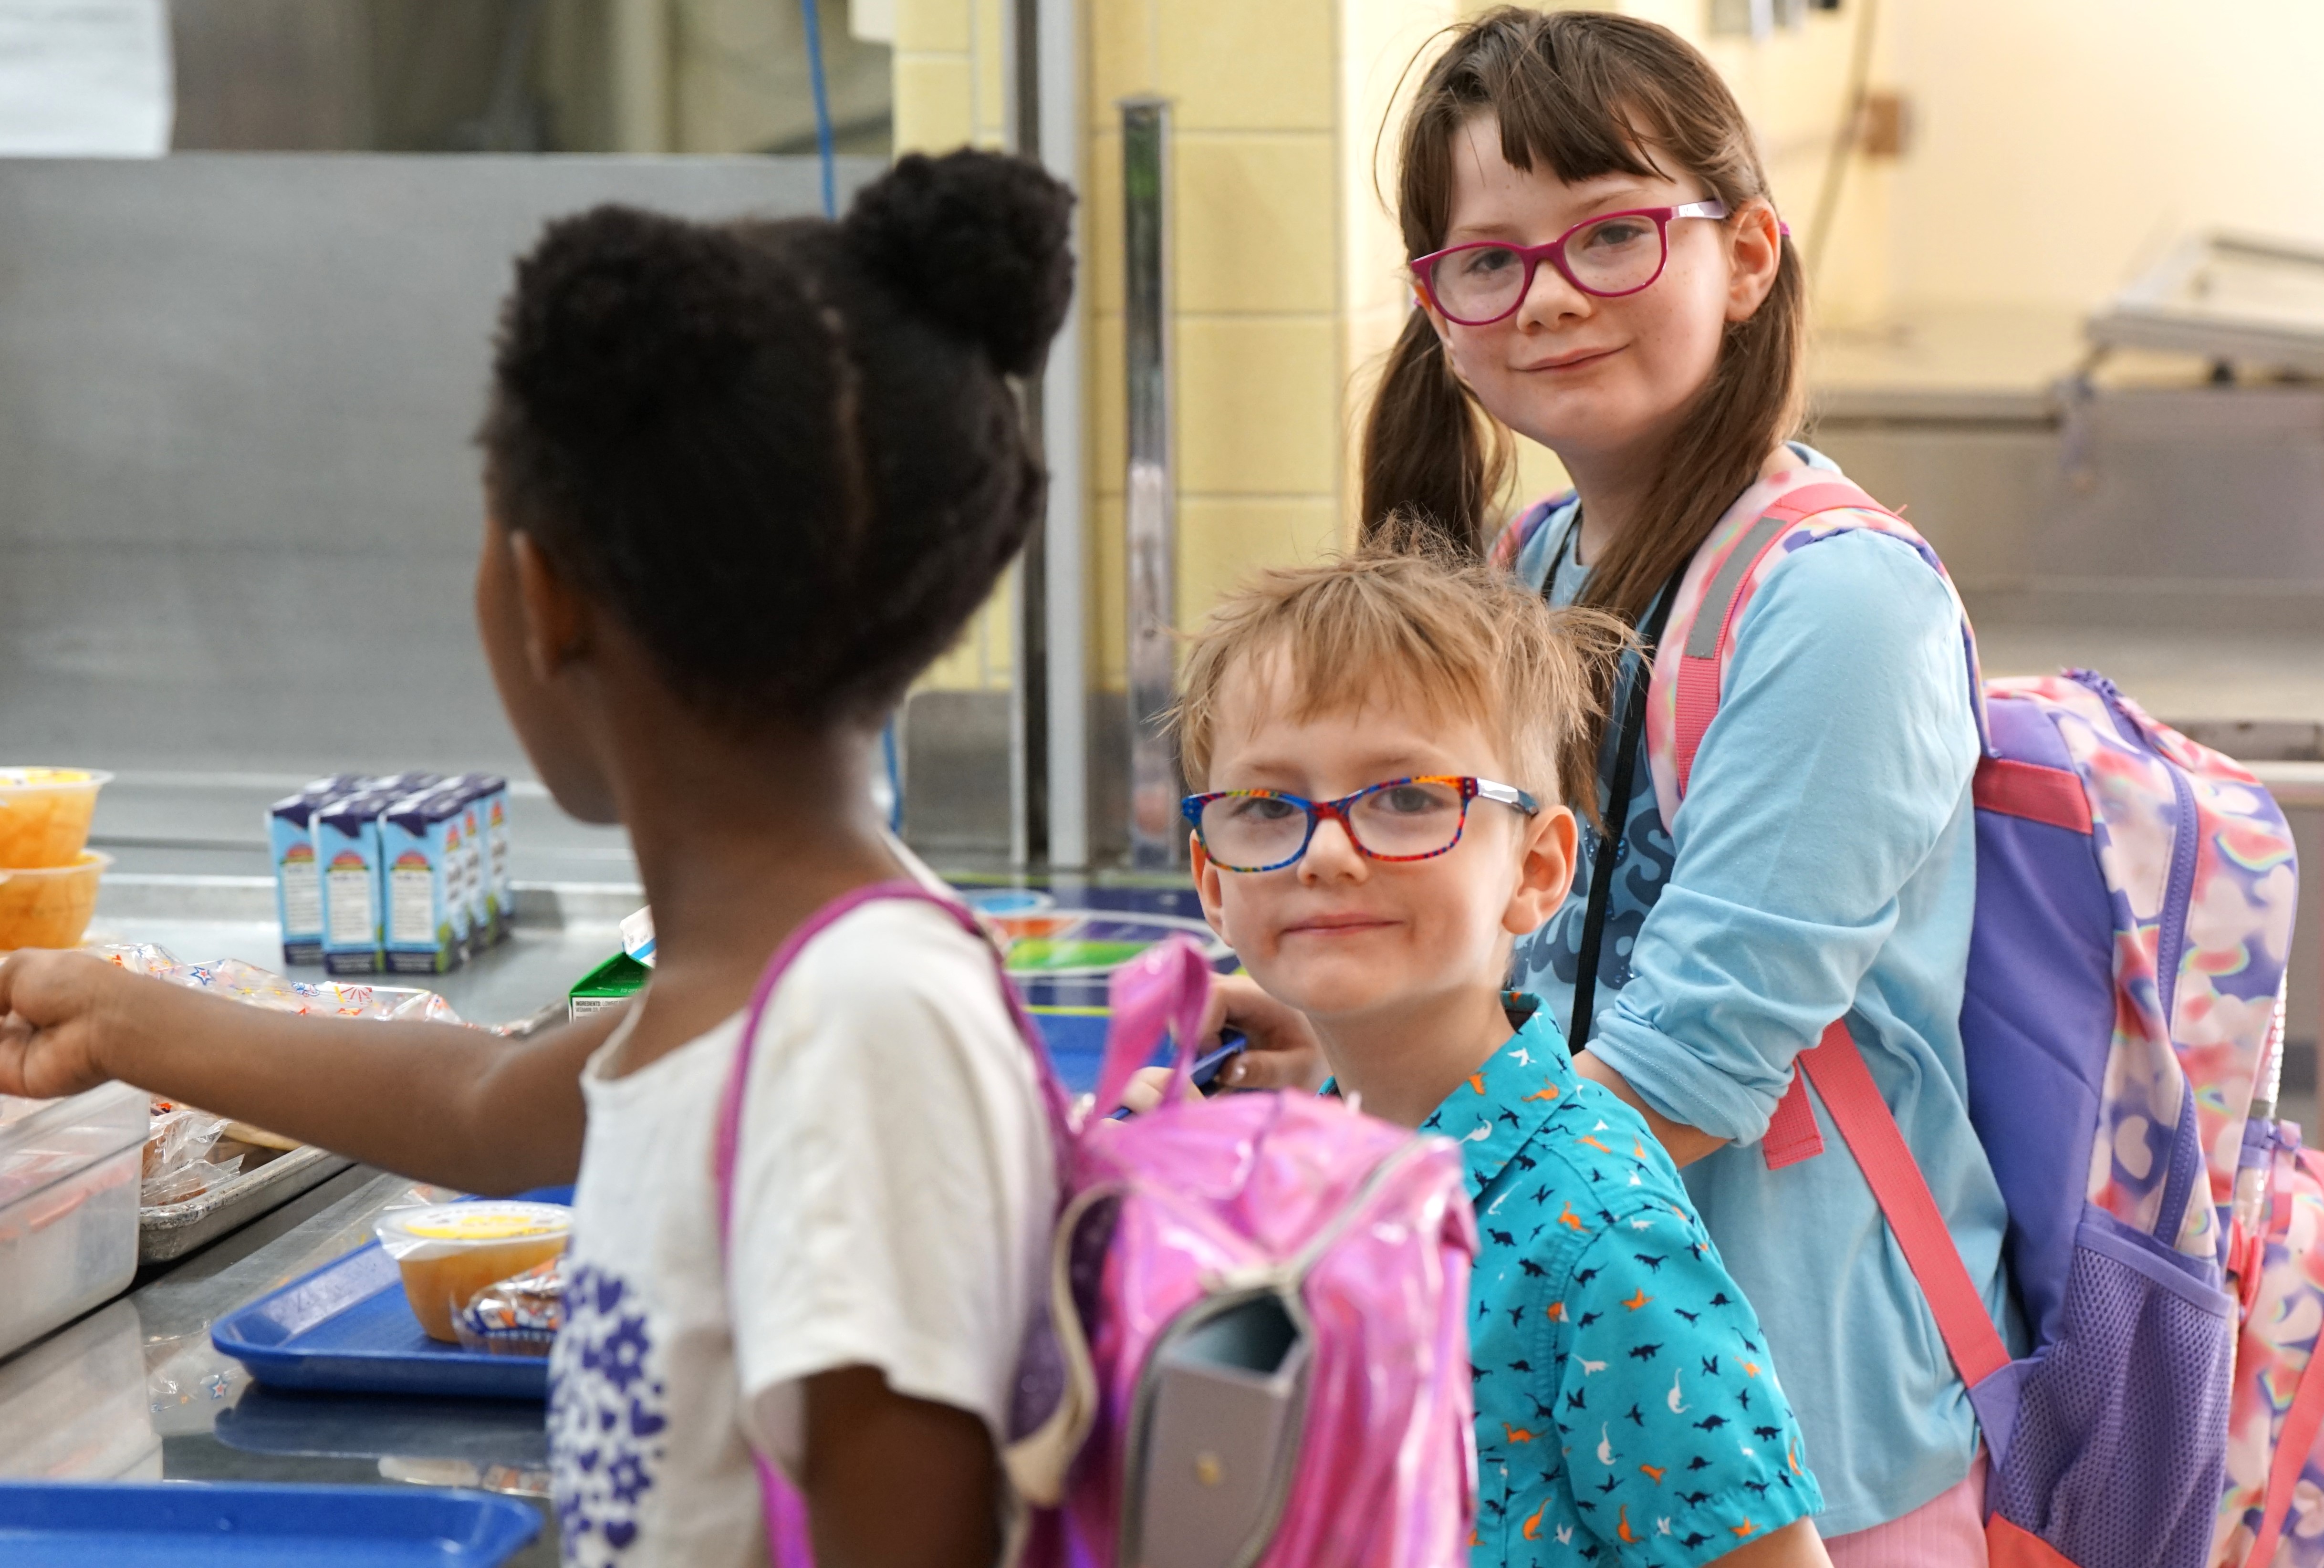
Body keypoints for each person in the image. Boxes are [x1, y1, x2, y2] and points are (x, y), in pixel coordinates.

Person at [0, 150, 1074, 1568]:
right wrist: (122, 1017)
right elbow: (486, 1099)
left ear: (546, 594)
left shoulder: (858, 1032)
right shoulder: (779, 978)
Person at [1221, 10, 2021, 1559]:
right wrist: (1339, 1040)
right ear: (1436, 305)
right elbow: (1524, 966)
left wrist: (1359, 1215)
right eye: (1490, 260)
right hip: (1571, 1416)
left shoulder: (1837, 602)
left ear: (1745, 252)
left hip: (1803, 1441)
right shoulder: (1537, 560)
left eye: (1612, 237)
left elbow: (1691, 1056)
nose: (1551, 298)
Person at [1169, 548, 1830, 1568]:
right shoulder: (1310, 1172)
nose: (1327, 850)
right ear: (1213, 885)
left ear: (1534, 870)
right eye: (1265, 807)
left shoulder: (1591, 1229)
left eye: (1405, 798)